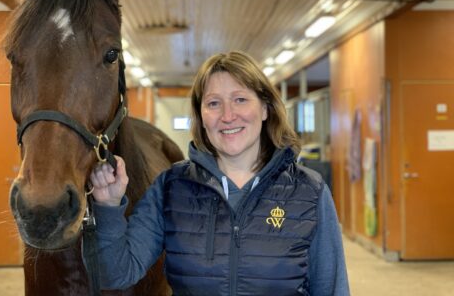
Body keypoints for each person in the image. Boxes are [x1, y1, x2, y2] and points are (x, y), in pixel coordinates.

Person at [90, 51, 350, 295]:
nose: (228, 115)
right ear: (201, 116)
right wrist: (109, 207)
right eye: (214, 103)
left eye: (240, 99)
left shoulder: (309, 192)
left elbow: (332, 288)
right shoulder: (171, 188)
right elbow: (116, 273)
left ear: (264, 108)